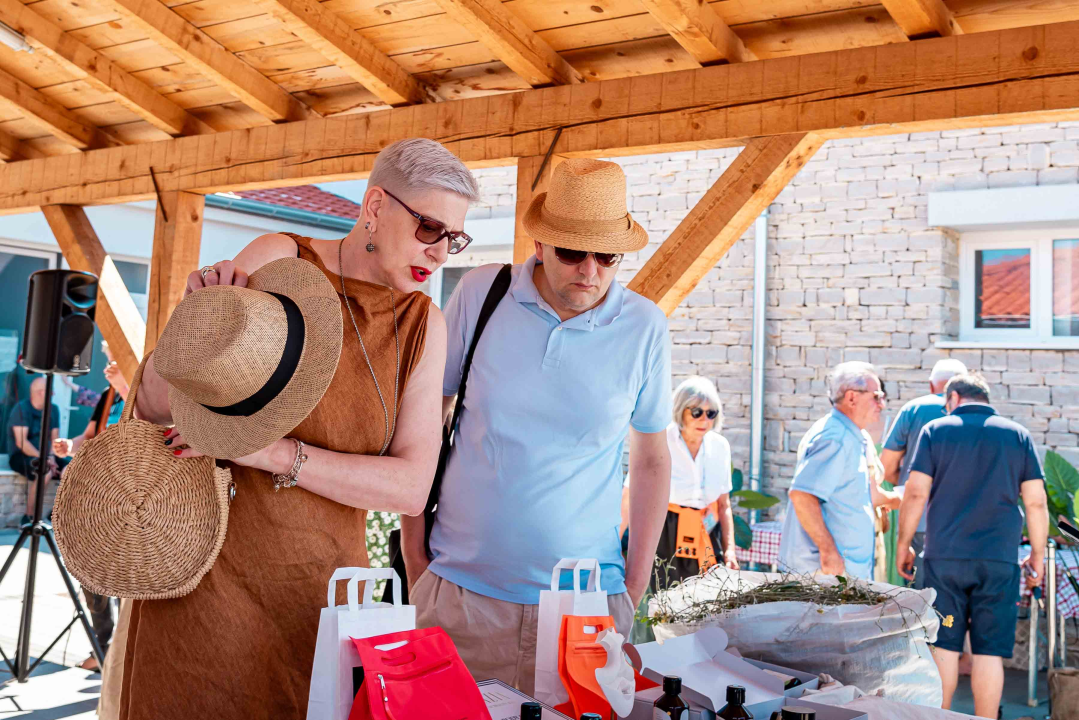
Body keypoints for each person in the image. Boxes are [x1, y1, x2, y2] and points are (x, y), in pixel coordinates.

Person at [118, 138, 472, 718]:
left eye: (453, 239)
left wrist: (275, 453)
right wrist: (190, 332)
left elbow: (410, 488)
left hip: (324, 604)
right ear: (376, 206)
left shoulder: (422, 325)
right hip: (206, 582)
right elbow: (154, 408)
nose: (439, 253)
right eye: (429, 228)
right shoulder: (282, 261)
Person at [400, 158, 672, 695]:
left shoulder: (644, 326)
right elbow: (426, 418)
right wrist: (415, 557)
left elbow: (652, 459)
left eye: (607, 256)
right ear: (541, 244)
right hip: (461, 599)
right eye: (573, 252)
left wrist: (633, 588)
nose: (590, 271)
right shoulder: (481, 294)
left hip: (587, 611)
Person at [897, 372, 1048, 719]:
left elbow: (916, 492)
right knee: (988, 653)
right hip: (998, 560)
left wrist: (904, 544)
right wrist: (1037, 556)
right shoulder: (1017, 435)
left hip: (945, 559)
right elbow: (1036, 502)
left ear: (952, 398)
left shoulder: (936, 430)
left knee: (945, 646)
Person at [778, 362, 900, 580]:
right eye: (876, 396)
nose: (882, 404)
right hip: (824, 573)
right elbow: (803, 495)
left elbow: (862, 496)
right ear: (852, 398)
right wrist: (828, 552)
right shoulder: (834, 438)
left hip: (844, 572)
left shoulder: (853, 436)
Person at [53, 341, 129, 672]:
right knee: (91, 572)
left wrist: (125, 385)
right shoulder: (107, 395)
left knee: (129, 576)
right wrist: (70, 445)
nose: (108, 358)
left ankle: (125, 652)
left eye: (113, 351)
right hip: (98, 500)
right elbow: (90, 436)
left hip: (133, 499)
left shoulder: (152, 391)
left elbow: (156, 428)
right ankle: (102, 648)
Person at [621, 376, 738, 591]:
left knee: (708, 601)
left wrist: (730, 549)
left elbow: (724, 505)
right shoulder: (661, 441)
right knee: (666, 602)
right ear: (680, 410)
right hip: (666, 529)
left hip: (706, 529)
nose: (704, 420)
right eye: (696, 412)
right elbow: (630, 496)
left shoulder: (720, 446)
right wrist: (615, 548)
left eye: (711, 413)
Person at [880, 358, 967, 585]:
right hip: (967, 523)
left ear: (931, 385)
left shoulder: (913, 409)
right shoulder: (977, 414)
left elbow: (886, 466)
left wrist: (908, 484)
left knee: (925, 602)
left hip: (920, 521)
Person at [6, 375, 61, 523]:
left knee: (75, 468)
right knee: (44, 471)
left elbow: (54, 439)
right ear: (40, 392)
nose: (53, 394)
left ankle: (56, 513)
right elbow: (22, 443)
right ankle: (29, 517)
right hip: (21, 455)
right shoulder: (21, 409)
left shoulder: (53, 409)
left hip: (46, 455)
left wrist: (51, 457)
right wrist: (46, 460)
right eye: (51, 391)